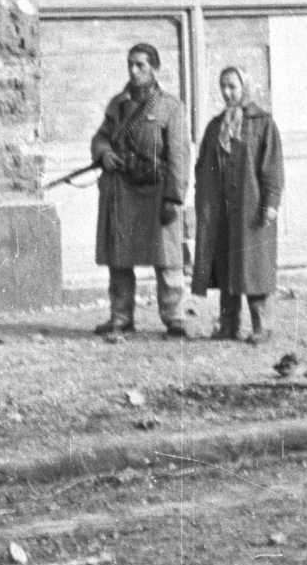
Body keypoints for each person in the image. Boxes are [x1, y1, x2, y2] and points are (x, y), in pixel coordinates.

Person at [90, 42, 189, 340]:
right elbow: (101, 138)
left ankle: (174, 318)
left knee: (167, 259)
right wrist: (104, 153)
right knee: (119, 260)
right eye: (130, 64)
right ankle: (121, 317)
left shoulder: (170, 107)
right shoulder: (117, 105)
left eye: (141, 65)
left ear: (155, 69)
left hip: (157, 192)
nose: (133, 70)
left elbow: (180, 155)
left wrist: (175, 195)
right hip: (122, 191)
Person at [191, 66, 284, 344]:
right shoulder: (215, 126)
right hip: (222, 210)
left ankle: (262, 326)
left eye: (232, 86)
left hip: (250, 207)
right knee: (225, 266)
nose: (227, 92)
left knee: (254, 266)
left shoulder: (263, 123)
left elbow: (273, 167)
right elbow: (202, 166)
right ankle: (228, 324)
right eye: (223, 86)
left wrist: (270, 202)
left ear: (245, 87)